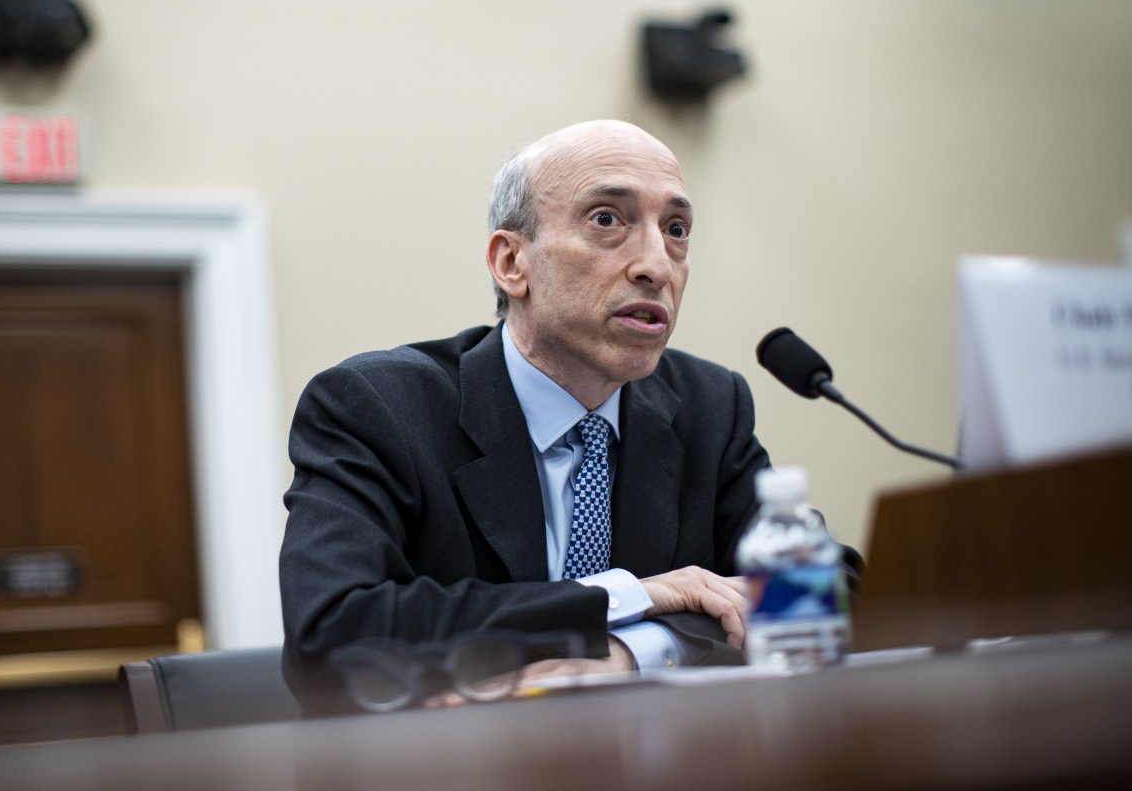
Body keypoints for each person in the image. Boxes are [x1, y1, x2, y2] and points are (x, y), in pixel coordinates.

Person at [279, 120, 857, 712]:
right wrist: (628, 598)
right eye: (608, 219)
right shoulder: (379, 406)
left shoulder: (708, 405)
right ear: (511, 262)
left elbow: (836, 593)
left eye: (676, 230)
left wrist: (636, 652)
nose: (657, 265)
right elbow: (332, 635)